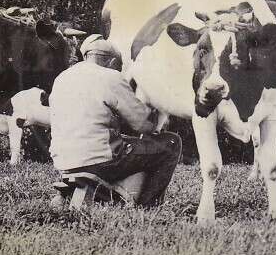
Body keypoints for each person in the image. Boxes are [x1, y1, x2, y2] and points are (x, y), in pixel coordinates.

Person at [48, 37, 181, 209]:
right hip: (98, 162)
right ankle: (148, 206)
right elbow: (143, 125)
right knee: (171, 142)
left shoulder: (62, 77)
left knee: (121, 142)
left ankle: (84, 194)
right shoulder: (110, 76)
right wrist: (158, 112)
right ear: (111, 62)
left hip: (63, 162)